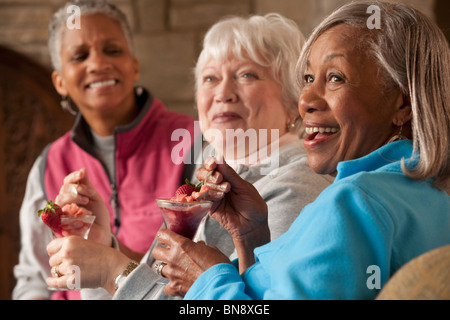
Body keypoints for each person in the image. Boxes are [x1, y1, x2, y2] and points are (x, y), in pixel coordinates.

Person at [150, 1, 450, 299]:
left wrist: (207, 282)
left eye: (335, 78)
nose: (306, 98)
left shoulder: (353, 202)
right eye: (308, 78)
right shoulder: (426, 191)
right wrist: (250, 235)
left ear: (403, 103)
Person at [44, 14, 332, 298]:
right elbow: (154, 290)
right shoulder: (209, 177)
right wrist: (102, 246)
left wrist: (113, 270)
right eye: (210, 78)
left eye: (247, 75)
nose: (222, 93)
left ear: (294, 103)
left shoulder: (298, 185)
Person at [12, 0, 195, 300]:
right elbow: (34, 279)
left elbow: (205, 274)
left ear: (134, 66)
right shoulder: (49, 163)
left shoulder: (191, 140)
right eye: (80, 55)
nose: (97, 64)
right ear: (59, 82)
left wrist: (109, 254)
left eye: (112, 50)